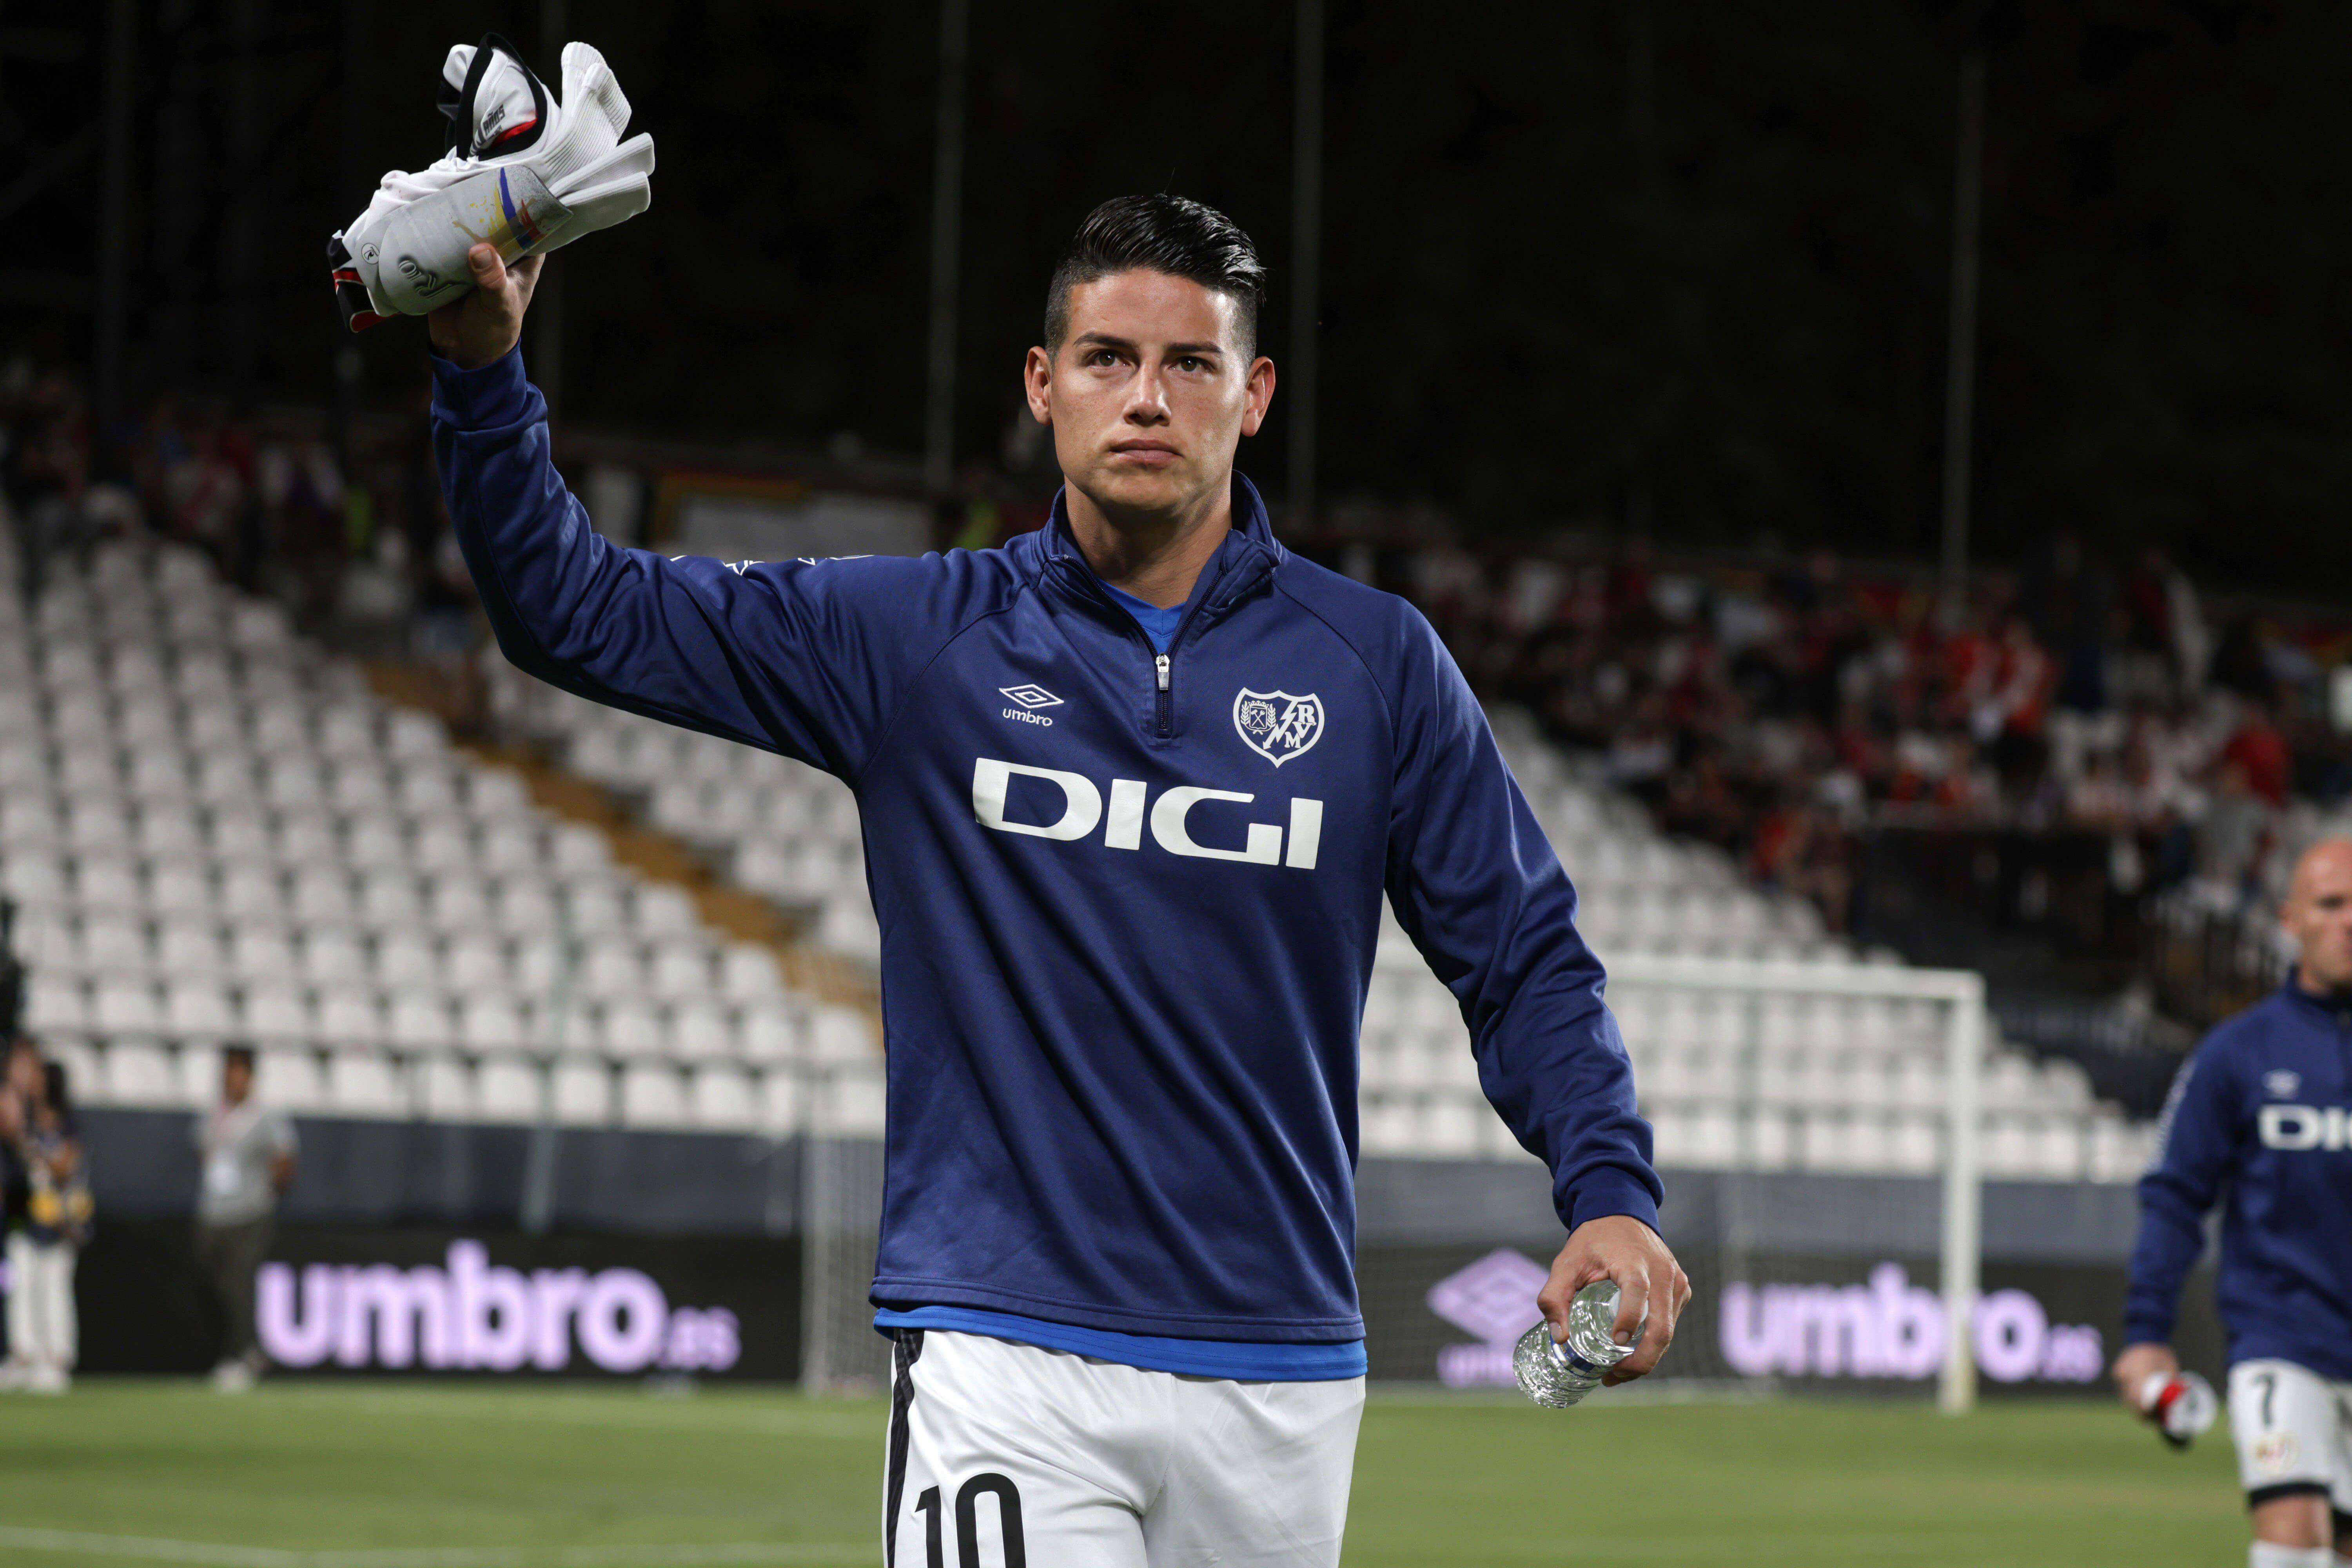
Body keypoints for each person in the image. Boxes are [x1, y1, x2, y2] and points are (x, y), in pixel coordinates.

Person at [428, 193, 1684, 1566]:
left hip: (1279, 1370)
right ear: (1042, 386)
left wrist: (1608, 1189)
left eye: (1190, 364)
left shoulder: (1376, 667)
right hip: (1004, 1349)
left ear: (1253, 394)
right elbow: (571, 611)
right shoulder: (914, 641)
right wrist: (485, 371)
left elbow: (1522, 957)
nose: (1146, 397)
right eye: (1106, 359)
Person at [2116, 837, 2352, 1568]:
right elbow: (2176, 1194)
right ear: (2290, 919)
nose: (2351, 922)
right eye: (2332, 904)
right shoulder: (2237, 1053)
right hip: (2281, 1336)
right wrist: (2146, 1332)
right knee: (2292, 1533)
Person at [192, 1045, 296, 1393]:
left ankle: (238, 1357)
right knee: (215, 1283)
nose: (232, 1078)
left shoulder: (266, 1116)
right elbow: (205, 1154)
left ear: (250, 1076)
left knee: (239, 1285)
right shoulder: (213, 1113)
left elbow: (285, 1158)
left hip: (249, 1212)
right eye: (228, 1071)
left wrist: (268, 1193)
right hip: (214, 1212)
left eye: (239, 1071)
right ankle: (249, 1350)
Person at [1, 1045, 88, 1393]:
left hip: (60, 1220)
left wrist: (32, 1147)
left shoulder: (68, 1125)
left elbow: (66, 1169)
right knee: (22, 1286)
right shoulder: (21, 1120)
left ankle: (56, 1359)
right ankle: (24, 1356)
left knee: (55, 1289)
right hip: (25, 1217)